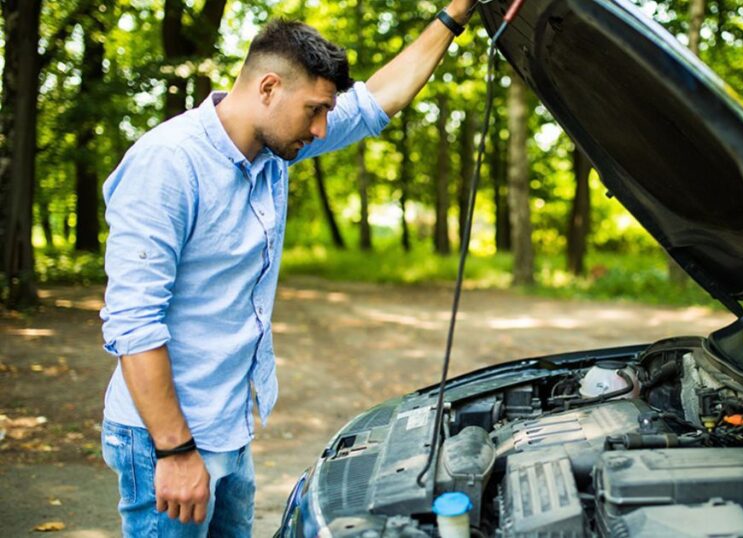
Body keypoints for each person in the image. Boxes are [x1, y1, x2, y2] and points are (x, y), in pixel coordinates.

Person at [98, 2, 474, 535]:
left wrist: (456, 14)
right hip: (167, 438)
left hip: (227, 424)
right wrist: (176, 450)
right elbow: (133, 325)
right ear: (268, 88)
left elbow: (375, 102)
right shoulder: (169, 164)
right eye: (315, 111)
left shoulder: (271, 151)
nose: (322, 130)